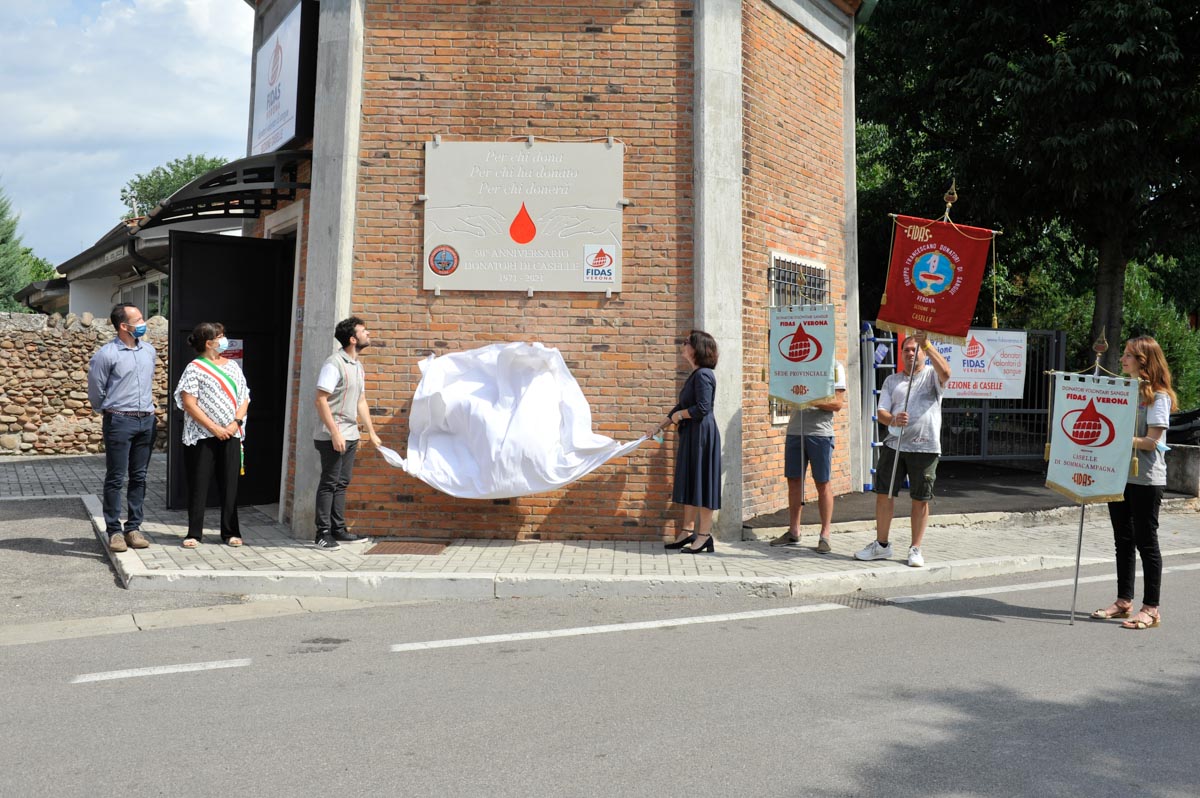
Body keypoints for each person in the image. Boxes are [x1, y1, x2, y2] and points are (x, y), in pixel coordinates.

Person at [1091, 335, 1176, 630]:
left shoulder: (1159, 396)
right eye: (1124, 354)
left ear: (1144, 361)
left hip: (1146, 479)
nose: (1123, 359)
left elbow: (1152, 441)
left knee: (1146, 543)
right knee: (1122, 541)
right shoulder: (1125, 390)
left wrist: (1118, 440)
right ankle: (1123, 601)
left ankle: (1151, 608)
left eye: (1129, 355)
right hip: (1120, 476)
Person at [856, 329, 950, 567]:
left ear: (922, 353)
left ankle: (915, 548)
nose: (911, 353)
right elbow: (881, 413)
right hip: (894, 445)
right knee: (884, 495)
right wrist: (893, 420)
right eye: (906, 350)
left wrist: (926, 344)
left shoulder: (931, 375)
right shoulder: (892, 381)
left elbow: (946, 373)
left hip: (925, 447)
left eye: (914, 350)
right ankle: (882, 545)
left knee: (920, 499)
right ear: (901, 355)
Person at [87, 303, 157, 553]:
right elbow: (95, 390)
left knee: (139, 476)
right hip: (119, 420)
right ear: (124, 326)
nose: (143, 323)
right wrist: (106, 409)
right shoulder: (106, 354)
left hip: (147, 420)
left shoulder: (149, 351)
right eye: (138, 319)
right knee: (116, 477)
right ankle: (114, 531)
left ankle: (134, 528)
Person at [173, 322, 250, 548]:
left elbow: (244, 396)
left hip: (232, 433)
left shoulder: (233, 366)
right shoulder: (195, 368)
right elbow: (189, 403)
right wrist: (214, 428)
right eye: (221, 336)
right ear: (209, 343)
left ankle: (230, 532)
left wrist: (235, 422)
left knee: (230, 484)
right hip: (202, 436)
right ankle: (194, 533)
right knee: (199, 484)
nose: (224, 339)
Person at [648, 330, 722, 553]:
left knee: (703, 483)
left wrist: (680, 417)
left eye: (686, 342)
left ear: (696, 349)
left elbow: (702, 408)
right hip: (693, 434)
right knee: (691, 482)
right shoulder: (696, 375)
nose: (682, 345)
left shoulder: (703, 375)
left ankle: (704, 536)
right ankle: (687, 532)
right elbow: (678, 408)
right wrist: (659, 426)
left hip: (702, 435)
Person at [313, 316, 383, 550]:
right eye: (364, 331)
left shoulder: (358, 365)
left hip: (351, 434)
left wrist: (371, 432)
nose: (368, 334)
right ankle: (322, 533)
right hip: (332, 434)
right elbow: (321, 400)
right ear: (353, 339)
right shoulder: (333, 363)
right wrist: (335, 433)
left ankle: (339, 530)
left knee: (342, 483)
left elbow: (361, 401)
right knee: (329, 483)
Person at [771, 360, 847, 552]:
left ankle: (825, 536)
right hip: (795, 430)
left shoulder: (835, 367)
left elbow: (837, 403)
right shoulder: (797, 366)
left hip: (820, 433)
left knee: (822, 483)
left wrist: (808, 399)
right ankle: (794, 532)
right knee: (794, 480)